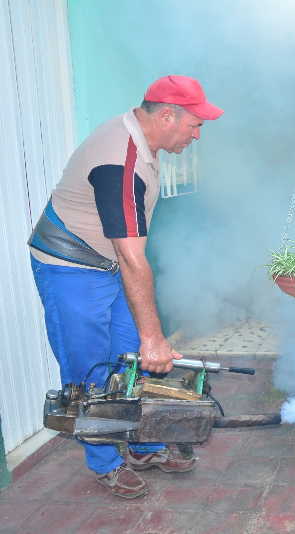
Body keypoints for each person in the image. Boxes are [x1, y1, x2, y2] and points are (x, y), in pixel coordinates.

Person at [28, 75, 223, 499]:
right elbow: (134, 257)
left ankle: (141, 444)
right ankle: (106, 463)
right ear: (167, 115)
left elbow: (129, 254)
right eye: (195, 123)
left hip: (107, 264)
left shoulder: (144, 142)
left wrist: (147, 339)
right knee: (89, 371)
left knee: (129, 359)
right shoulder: (121, 162)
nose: (198, 132)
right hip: (70, 269)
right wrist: (155, 337)